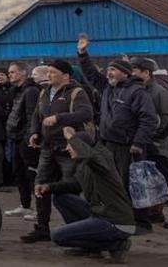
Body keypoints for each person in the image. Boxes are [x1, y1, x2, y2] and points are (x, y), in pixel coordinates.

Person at [77, 35, 160, 233]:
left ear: (124, 73)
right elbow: (90, 73)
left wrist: (139, 142)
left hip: (128, 145)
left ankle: (141, 223)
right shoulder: (108, 87)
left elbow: (148, 119)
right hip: (108, 143)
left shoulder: (137, 92)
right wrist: (82, 54)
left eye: (113, 70)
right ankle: (122, 219)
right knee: (113, 183)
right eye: (107, 70)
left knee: (133, 183)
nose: (108, 73)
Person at [37, 126, 135, 263]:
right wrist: (48, 187)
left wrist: (71, 136)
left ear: (82, 145)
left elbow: (89, 154)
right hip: (100, 213)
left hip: (115, 220)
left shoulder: (101, 158)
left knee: (57, 236)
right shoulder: (85, 164)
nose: (67, 149)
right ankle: (90, 246)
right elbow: (75, 184)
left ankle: (116, 245)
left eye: (69, 145)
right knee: (60, 198)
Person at [22, 60, 94, 243]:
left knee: (69, 190)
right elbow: (37, 116)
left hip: (68, 149)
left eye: (53, 72)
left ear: (66, 75)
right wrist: (34, 132)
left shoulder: (76, 92)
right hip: (47, 148)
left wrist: (59, 118)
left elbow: (86, 114)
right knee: (41, 187)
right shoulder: (44, 92)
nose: (49, 75)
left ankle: (78, 231)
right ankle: (42, 228)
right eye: (48, 72)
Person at [135, 58, 168, 230]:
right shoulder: (138, 91)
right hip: (144, 142)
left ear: (146, 72)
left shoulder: (159, 92)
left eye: (135, 71)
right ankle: (155, 212)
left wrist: (158, 136)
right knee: (149, 179)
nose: (132, 75)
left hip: (158, 145)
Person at [5, 62, 40, 218]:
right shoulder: (17, 91)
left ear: (23, 73)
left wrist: (29, 137)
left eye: (13, 72)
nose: (9, 75)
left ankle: (40, 209)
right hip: (15, 137)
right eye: (9, 72)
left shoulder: (31, 90)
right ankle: (25, 205)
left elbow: (31, 115)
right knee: (19, 173)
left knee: (32, 174)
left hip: (26, 139)